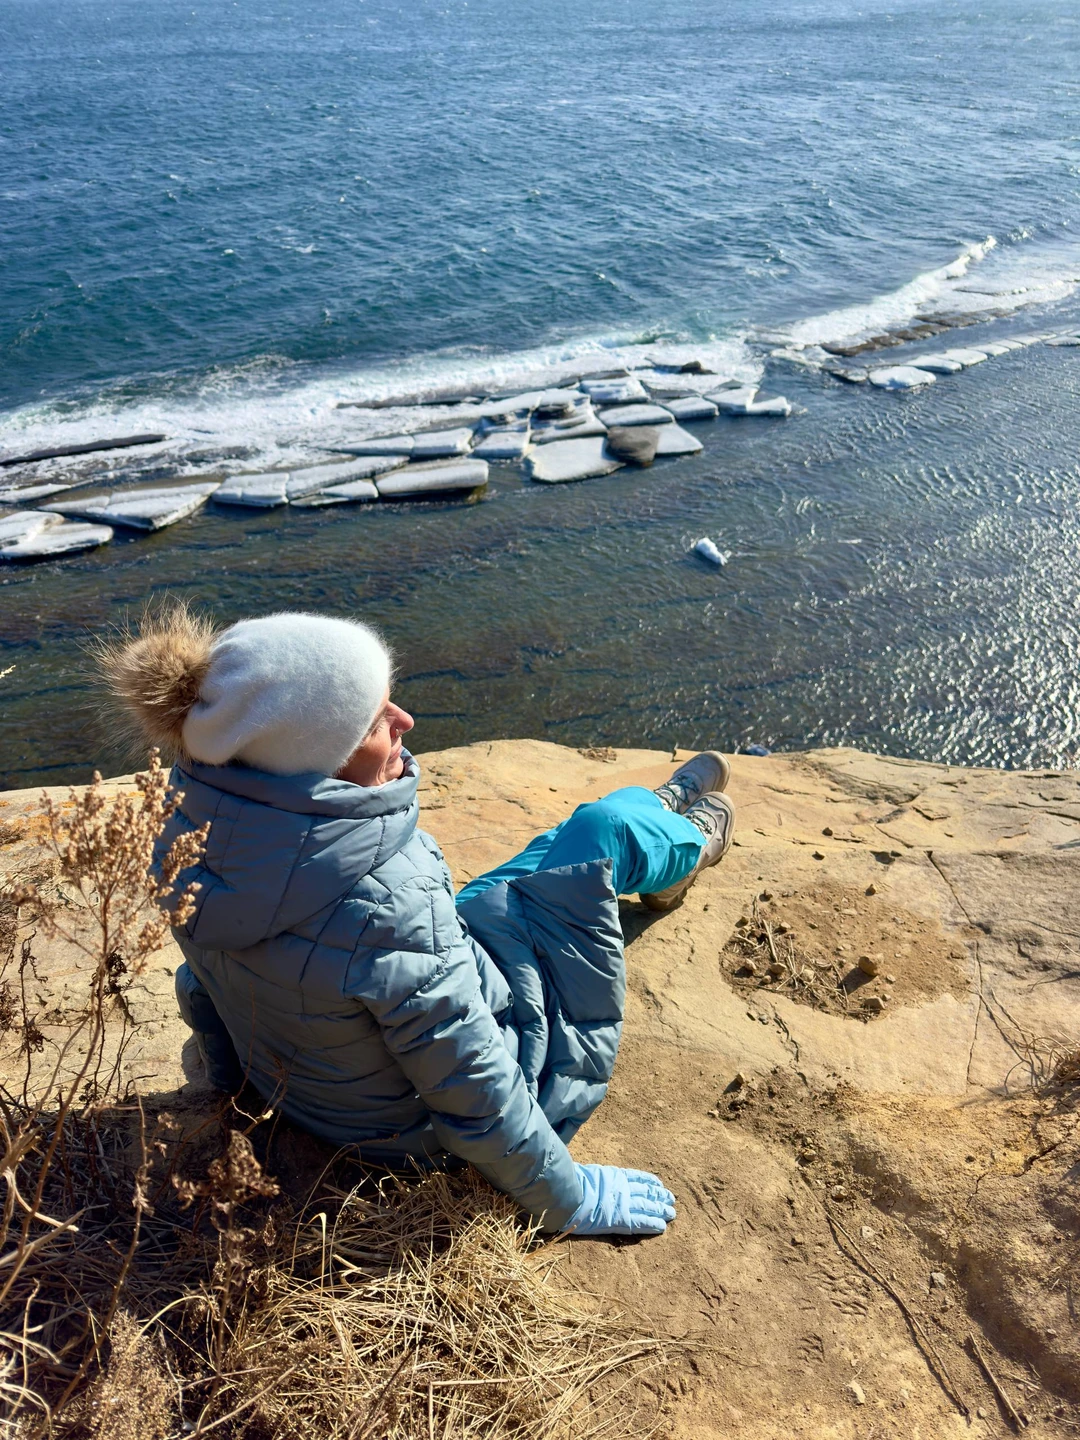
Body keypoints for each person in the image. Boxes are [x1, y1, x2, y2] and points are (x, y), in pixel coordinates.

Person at [105, 607, 735, 1239]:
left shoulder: (190, 843)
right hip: (422, 1128)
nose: (405, 721)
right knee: (599, 835)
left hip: (321, 1093)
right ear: (315, 761)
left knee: (546, 857)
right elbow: (473, 1080)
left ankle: (660, 813)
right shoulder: (386, 901)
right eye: (376, 718)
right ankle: (685, 837)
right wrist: (569, 1199)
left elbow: (199, 986)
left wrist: (234, 1089)